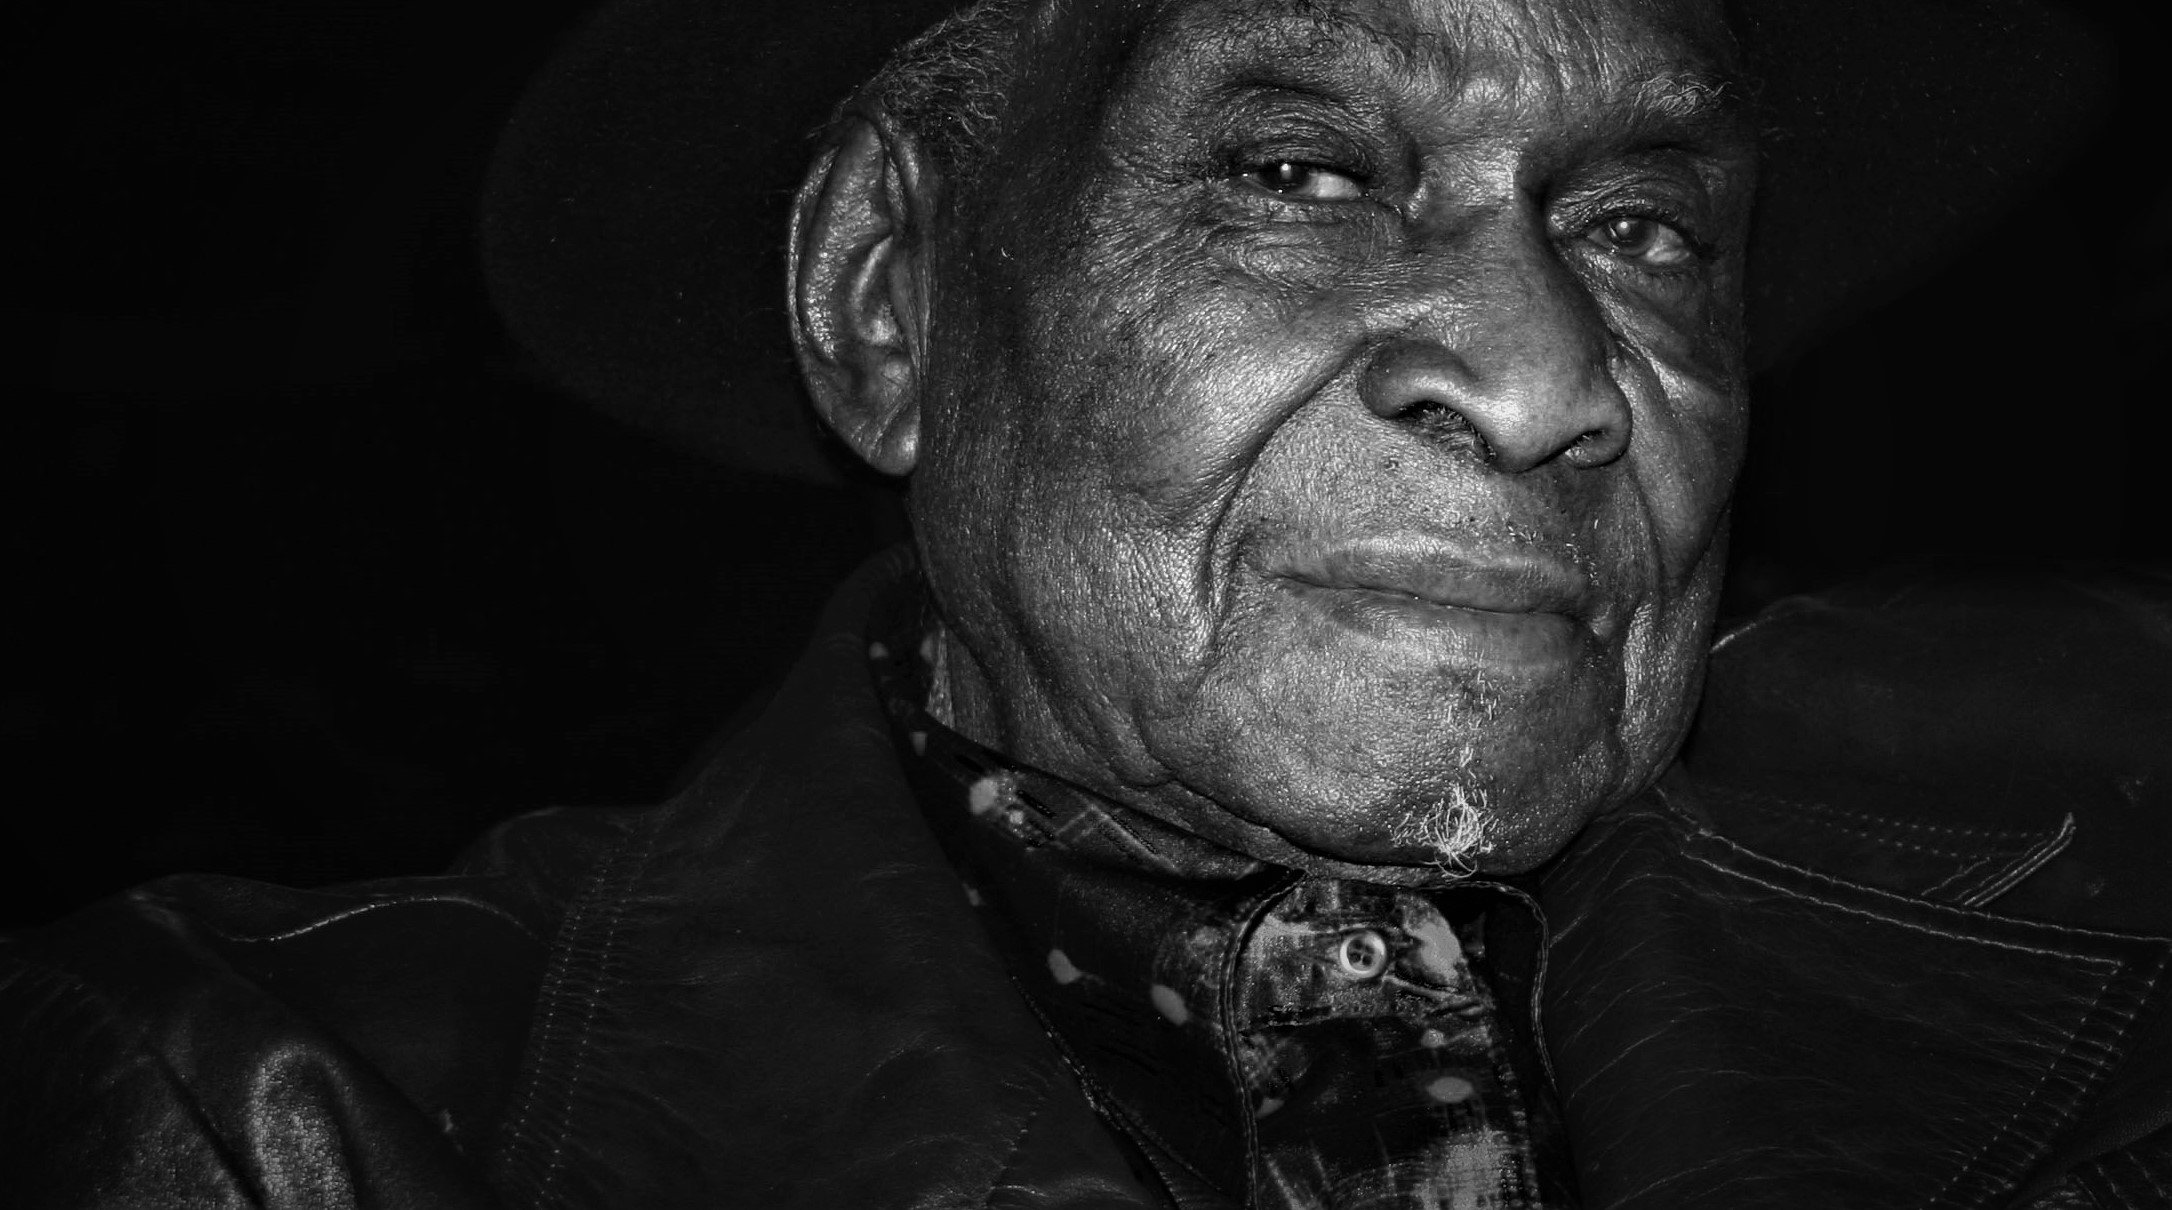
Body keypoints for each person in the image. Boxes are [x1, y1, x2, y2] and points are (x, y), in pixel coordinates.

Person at [3, 0, 2166, 1206]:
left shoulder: (2114, 829)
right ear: (887, 296)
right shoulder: (295, 1112)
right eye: (1299, 174)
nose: (1545, 380)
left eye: (1640, 229)